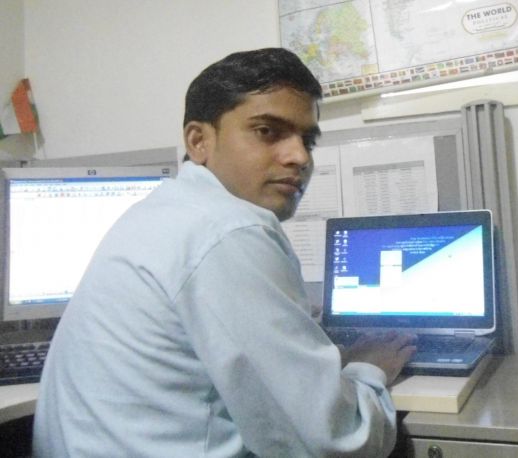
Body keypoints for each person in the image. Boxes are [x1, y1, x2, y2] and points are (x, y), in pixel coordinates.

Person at [33, 48, 416, 457]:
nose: (300, 157)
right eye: (267, 131)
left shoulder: (165, 211)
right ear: (199, 141)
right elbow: (334, 442)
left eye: (307, 140)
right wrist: (368, 370)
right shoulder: (229, 230)